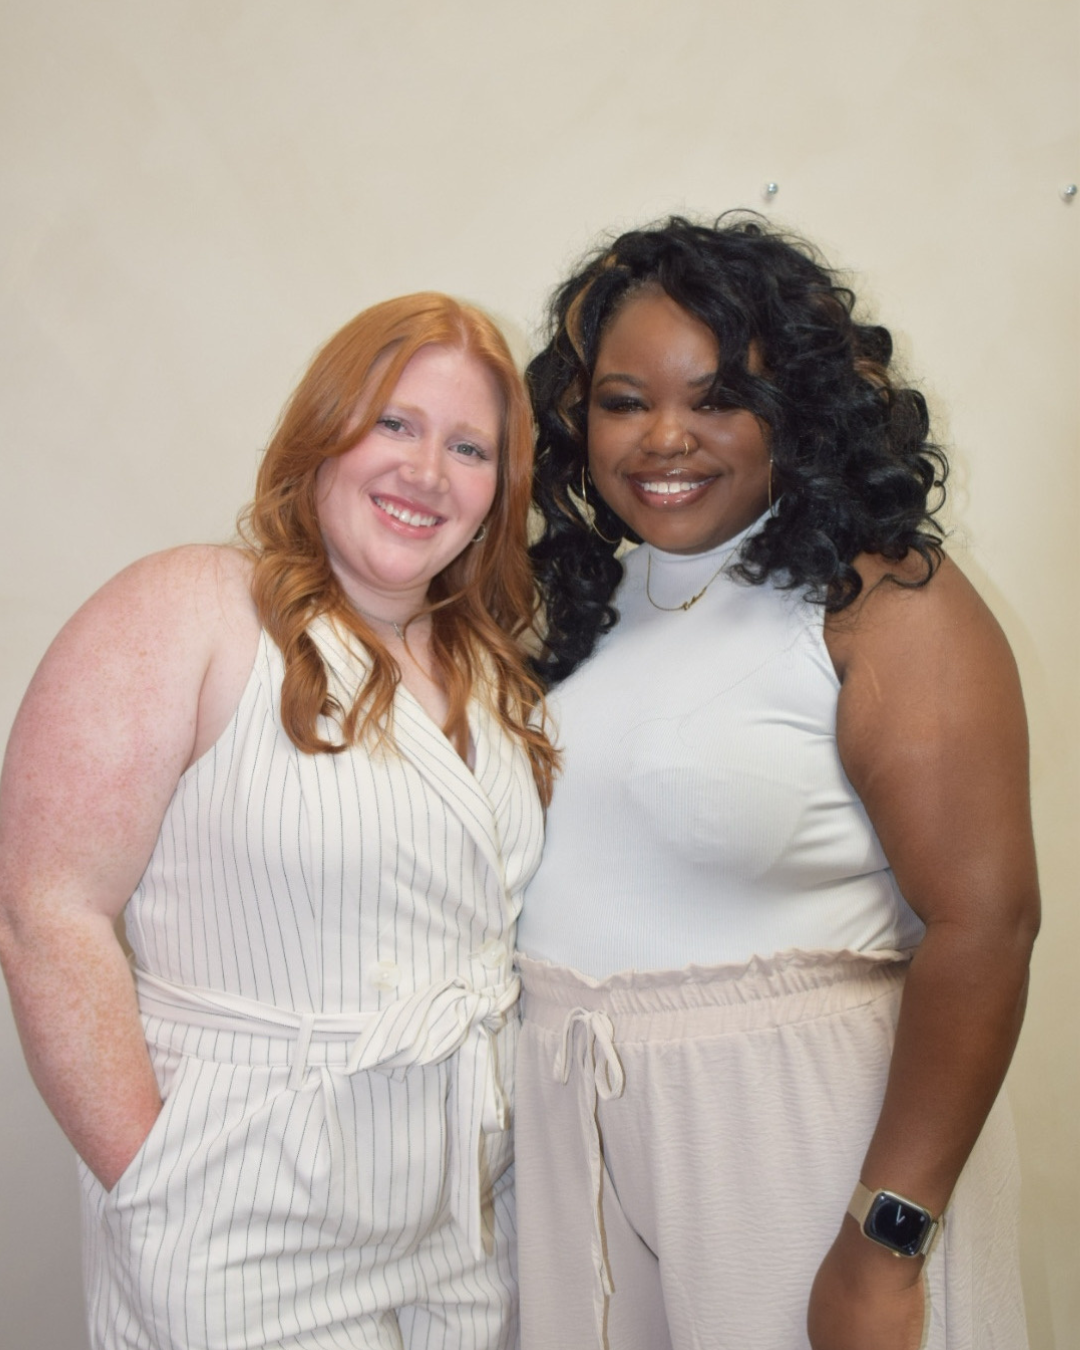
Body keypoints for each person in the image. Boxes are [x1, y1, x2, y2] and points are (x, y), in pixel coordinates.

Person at [513, 217, 1038, 1350]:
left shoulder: (881, 602)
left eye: (717, 399)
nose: (665, 438)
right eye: (622, 400)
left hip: (799, 1158)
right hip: (576, 1158)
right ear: (574, 418)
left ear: (793, 408)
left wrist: (884, 1243)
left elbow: (985, 927)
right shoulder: (581, 610)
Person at [0, 292, 558, 1350]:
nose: (426, 472)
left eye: (469, 447)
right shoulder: (195, 609)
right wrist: (153, 1181)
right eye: (394, 423)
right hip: (242, 1211)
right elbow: (44, 910)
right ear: (324, 431)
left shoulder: (494, 675)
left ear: (499, 489)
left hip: (466, 1215)